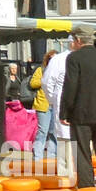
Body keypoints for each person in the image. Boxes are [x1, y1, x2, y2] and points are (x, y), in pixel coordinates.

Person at [60, 27, 96, 188]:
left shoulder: (74, 58)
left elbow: (70, 87)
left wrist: (64, 112)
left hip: (81, 114)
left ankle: (87, 188)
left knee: (82, 153)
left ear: (78, 40)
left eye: (72, 41)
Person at [40, 44, 73, 178]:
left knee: (66, 147)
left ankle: (68, 179)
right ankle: (74, 180)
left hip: (66, 107)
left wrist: (53, 100)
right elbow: (47, 83)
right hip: (76, 111)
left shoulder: (60, 60)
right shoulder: (59, 59)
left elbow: (47, 83)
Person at [29, 50, 57, 166]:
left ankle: (52, 158)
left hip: (55, 105)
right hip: (43, 105)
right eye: (50, 59)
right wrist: (45, 80)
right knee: (42, 131)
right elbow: (33, 83)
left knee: (54, 132)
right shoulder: (41, 70)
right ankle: (38, 158)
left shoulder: (60, 71)